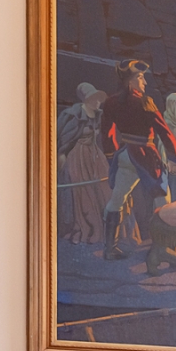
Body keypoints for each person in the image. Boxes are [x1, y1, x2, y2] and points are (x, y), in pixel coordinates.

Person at [98, 59, 176, 260]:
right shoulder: (145, 102)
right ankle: (167, 248)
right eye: (141, 78)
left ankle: (110, 249)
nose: (144, 83)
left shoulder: (110, 102)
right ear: (130, 82)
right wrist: (173, 158)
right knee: (163, 199)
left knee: (117, 199)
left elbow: (107, 134)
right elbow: (164, 131)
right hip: (146, 156)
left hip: (125, 155)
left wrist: (112, 156)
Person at [56, 83, 111, 245]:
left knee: (103, 190)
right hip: (77, 156)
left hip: (94, 156)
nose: (96, 102)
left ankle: (102, 228)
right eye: (93, 99)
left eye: (98, 99)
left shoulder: (99, 115)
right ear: (85, 99)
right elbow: (63, 137)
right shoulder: (72, 115)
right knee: (82, 193)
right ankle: (82, 227)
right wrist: (61, 155)